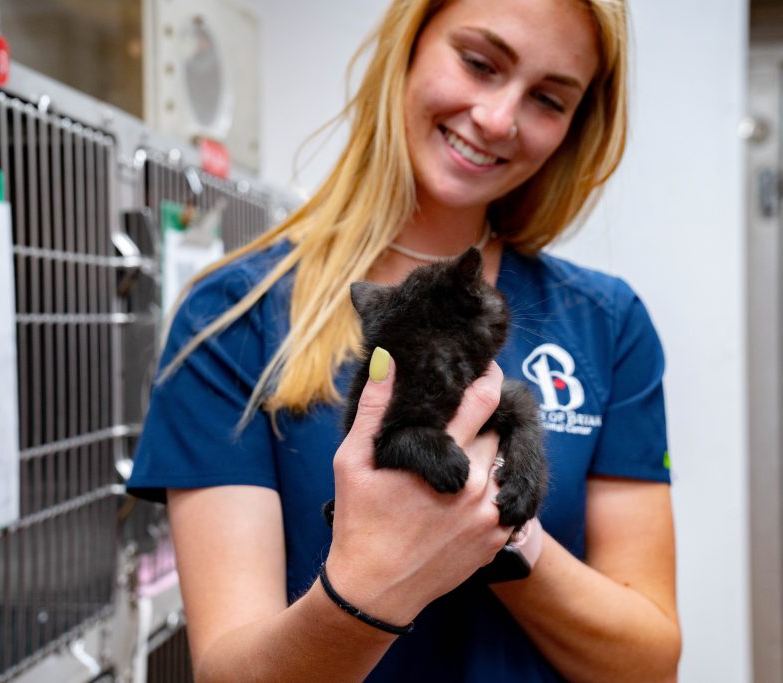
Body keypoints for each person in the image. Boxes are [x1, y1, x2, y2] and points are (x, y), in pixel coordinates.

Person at [126, 0, 681, 680]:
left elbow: (647, 661)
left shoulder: (605, 321)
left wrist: (502, 526)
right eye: (479, 64)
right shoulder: (236, 317)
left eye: (548, 99)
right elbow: (227, 670)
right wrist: (371, 583)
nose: (499, 119)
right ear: (409, 46)